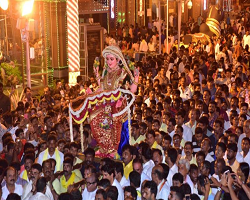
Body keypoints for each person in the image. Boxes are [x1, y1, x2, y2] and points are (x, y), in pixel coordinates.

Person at [70, 45, 139, 156]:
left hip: (119, 104)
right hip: (106, 102)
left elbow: (132, 90)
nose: (109, 61)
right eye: (107, 59)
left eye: (111, 59)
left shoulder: (123, 73)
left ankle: (112, 149)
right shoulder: (106, 72)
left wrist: (136, 79)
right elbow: (102, 88)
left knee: (110, 117)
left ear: (118, 60)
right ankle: (104, 146)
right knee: (93, 116)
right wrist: (93, 88)